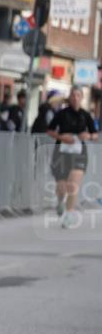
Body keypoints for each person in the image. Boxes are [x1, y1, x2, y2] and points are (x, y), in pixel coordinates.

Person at [48, 87, 98, 228]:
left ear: (81, 98)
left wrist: (88, 136)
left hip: (79, 153)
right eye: (73, 95)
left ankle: (69, 215)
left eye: (78, 95)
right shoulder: (61, 114)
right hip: (62, 152)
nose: (75, 98)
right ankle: (60, 201)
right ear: (69, 97)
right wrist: (61, 137)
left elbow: (95, 135)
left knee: (73, 186)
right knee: (62, 187)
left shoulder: (85, 115)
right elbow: (49, 130)